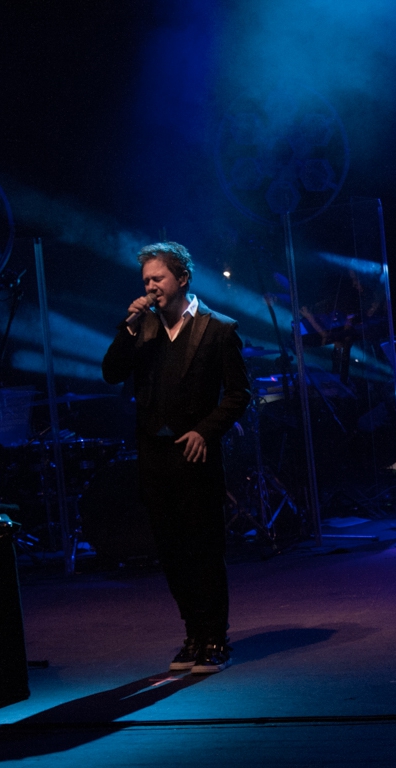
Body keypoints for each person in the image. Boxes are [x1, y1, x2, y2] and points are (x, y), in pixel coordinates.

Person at [101, 242, 251, 673]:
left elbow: (239, 394)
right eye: (146, 280)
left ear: (182, 278)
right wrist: (128, 328)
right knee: (170, 550)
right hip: (154, 454)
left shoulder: (218, 329)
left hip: (195, 453)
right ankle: (193, 634)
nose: (150, 286)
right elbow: (111, 373)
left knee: (203, 547)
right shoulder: (143, 329)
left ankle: (215, 637)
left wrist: (206, 430)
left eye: (158, 278)